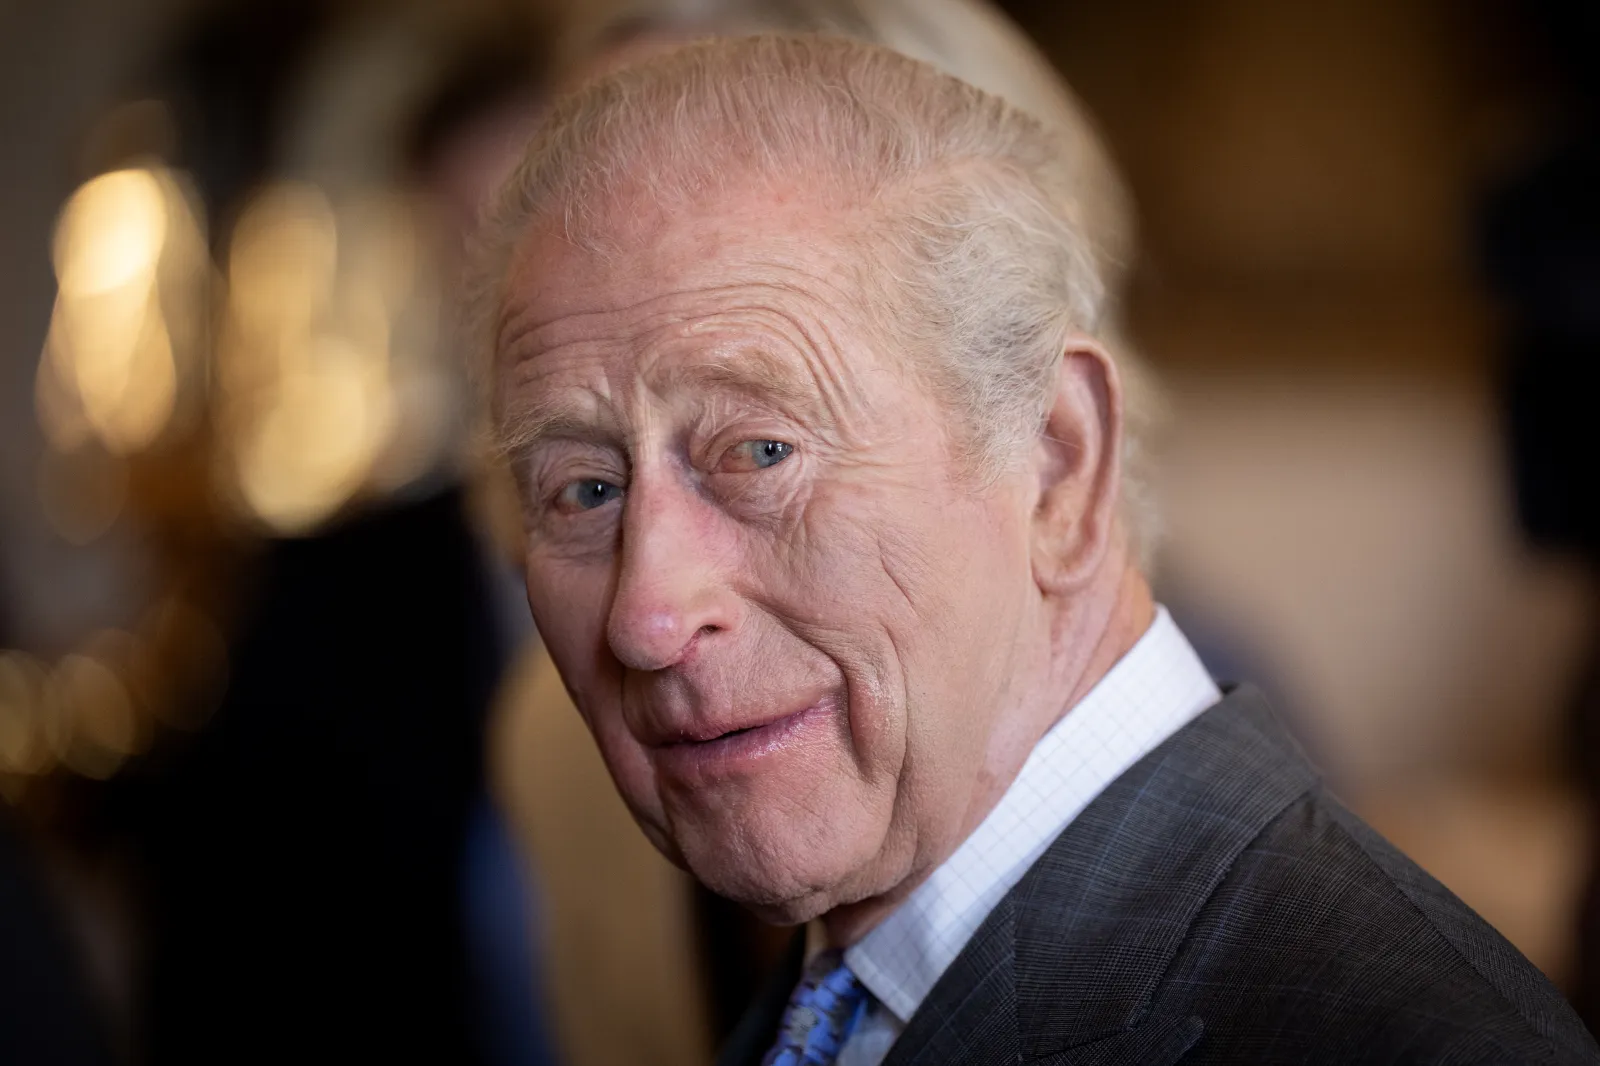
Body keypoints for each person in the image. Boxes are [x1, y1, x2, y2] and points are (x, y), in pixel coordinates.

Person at [475, 34, 1599, 1065]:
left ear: (1057, 464)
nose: (646, 614)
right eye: (584, 488)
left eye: (760, 451)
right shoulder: (841, 987)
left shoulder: (1391, 1044)